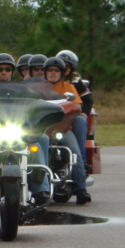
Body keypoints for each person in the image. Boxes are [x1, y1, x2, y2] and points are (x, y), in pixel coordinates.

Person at [43, 57, 91, 205]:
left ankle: (81, 189)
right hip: (41, 131)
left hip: (63, 129)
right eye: (49, 70)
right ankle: (40, 188)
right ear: (44, 73)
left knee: (74, 152)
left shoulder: (68, 88)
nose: (52, 73)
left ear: (62, 73)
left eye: (56, 70)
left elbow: (77, 108)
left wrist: (64, 123)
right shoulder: (37, 89)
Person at [57, 49, 92, 167]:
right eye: (61, 65)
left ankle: (81, 161)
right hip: (53, 116)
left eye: (67, 66)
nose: (64, 69)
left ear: (72, 68)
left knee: (81, 121)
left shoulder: (75, 82)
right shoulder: (49, 80)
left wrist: (84, 113)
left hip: (71, 116)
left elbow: (87, 101)